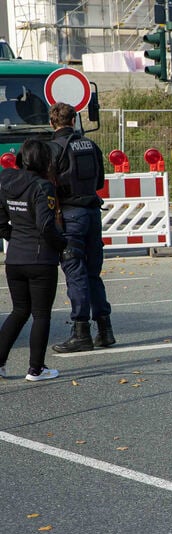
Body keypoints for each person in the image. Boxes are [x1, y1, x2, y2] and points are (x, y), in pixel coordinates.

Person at [47, 102, 114, 354]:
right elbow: (100, 181)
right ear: (74, 121)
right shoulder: (91, 145)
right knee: (93, 273)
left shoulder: (53, 148)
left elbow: (48, 186)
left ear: (52, 123)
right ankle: (105, 330)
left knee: (75, 273)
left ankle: (81, 332)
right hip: (92, 213)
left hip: (69, 215)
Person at [0, 138, 67, 381]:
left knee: (19, 311)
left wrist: (14, 236)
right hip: (40, 259)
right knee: (41, 314)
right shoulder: (43, 187)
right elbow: (45, 225)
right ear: (45, 160)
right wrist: (63, 244)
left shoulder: (5, 180)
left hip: (15, 258)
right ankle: (36, 369)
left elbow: (0, 221)